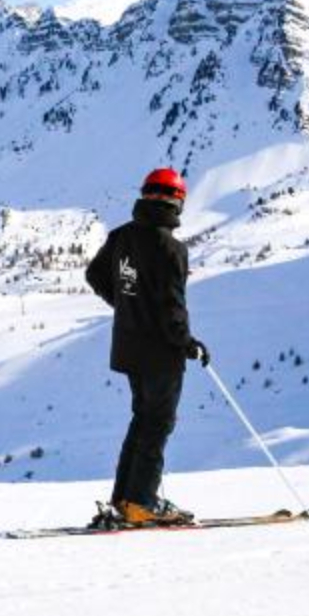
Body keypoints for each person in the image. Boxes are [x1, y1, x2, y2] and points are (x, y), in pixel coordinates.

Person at [85, 167, 210, 526]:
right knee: (157, 424)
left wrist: (127, 306)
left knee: (142, 420)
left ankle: (126, 499)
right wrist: (187, 343)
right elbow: (173, 307)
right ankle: (141, 502)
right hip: (160, 352)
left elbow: (95, 275)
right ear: (178, 201)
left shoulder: (121, 236)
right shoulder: (171, 248)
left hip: (128, 346)